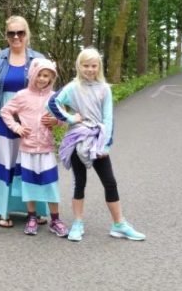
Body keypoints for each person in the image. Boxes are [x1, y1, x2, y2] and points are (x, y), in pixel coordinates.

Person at [48, 47, 145, 242]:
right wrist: (70, 118)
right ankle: (77, 223)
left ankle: (119, 224)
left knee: (110, 182)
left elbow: (108, 118)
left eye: (94, 66)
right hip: (77, 139)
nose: (90, 69)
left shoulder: (104, 89)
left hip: (97, 140)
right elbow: (52, 103)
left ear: (99, 66)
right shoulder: (72, 87)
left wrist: (105, 146)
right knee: (79, 183)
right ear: (79, 66)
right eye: (86, 65)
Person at [0, 15, 56, 228]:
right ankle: (3, 211)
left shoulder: (38, 60)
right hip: (1, 119)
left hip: (32, 121)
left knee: (31, 164)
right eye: (11, 33)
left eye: (20, 32)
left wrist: (53, 116)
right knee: (5, 164)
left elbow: (47, 90)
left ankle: (36, 211)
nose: (16, 37)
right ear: (6, 35)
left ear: (27, 34)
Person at [0, 58, 68, 237]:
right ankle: (31, 217)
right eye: (40, 75)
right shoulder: (22, 95)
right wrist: (17, 128)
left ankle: (55, 220)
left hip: (46, 149)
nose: (43, 79)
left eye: (47, 76)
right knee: (28, 185)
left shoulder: (54, 97)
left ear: (52, 79)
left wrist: (56, 121)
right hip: (27, 149)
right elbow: (5, 111)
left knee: (51, 184)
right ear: (32, 75)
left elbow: (63, 118)